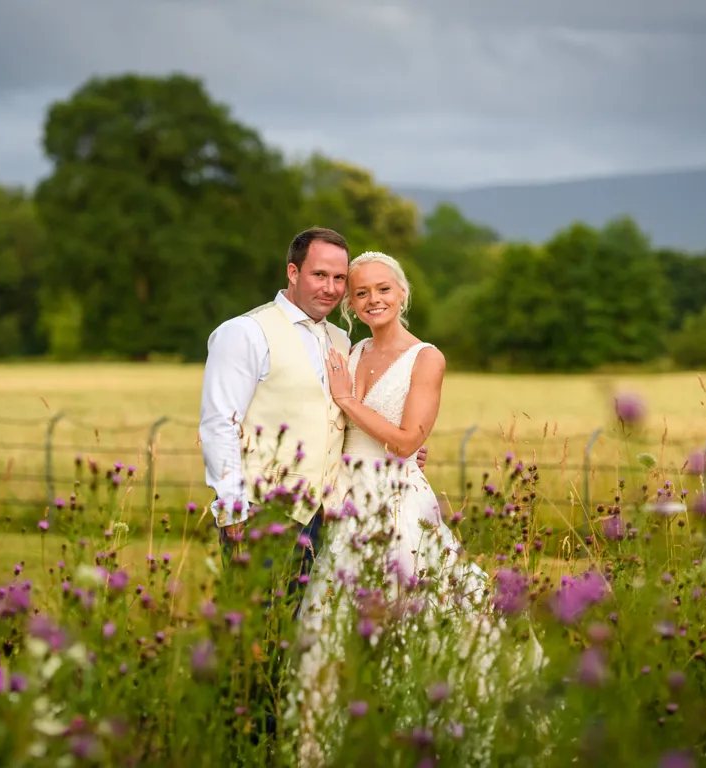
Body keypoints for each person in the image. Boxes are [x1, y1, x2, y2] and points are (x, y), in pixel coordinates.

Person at [292, 251, 544, 765]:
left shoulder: (426, 357)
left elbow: (407, 442)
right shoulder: (353, 349)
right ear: (350, 303)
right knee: (332, 624)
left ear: (403, 293)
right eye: (360, 293)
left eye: (383, 289)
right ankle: (330, 745)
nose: (373, 300)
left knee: (411, 613)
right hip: (345, 502)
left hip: (396, 501)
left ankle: (421, 732)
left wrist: (348, 401)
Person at [198, 229, 429, 751]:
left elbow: (344, 418)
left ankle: (292, 745)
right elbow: (219, 423)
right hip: (264, 512)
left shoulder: (342, 341)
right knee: (253, 643)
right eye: (319, 274)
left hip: (328, 514)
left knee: (306, 641)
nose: (329, 287)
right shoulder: (245, 333)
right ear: (293, 272)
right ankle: (245, 750)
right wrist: (233, 512)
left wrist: (405, 445)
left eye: (338, 278)